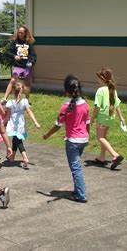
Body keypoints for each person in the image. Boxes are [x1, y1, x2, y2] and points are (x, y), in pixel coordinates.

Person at [43, 74, 90, 203]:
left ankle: (80, 195)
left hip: (73, 141)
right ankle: (78, 190)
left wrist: (47, 135)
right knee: (77, 167)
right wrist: (88, 136)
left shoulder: (65, 106)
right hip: (83, 139)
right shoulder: (85, 104)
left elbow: (57, 125)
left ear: (66, 91)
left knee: (76, 168)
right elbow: (88, 123)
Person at [91, 67, 126, 170]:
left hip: (102, 118)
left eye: (98, 78)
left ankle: (115, 155)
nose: (97, 80)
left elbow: (97, 106)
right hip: (111, 117)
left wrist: (92, 118)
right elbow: (117, 105)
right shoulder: (112, 90)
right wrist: (121, 118)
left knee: (100, 138)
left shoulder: (100, 90)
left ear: (102, 78)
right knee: (104, 137)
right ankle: (102, 158)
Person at [4, 80, 41, 169]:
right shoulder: (24, 101)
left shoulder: (10, 103)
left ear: (13, 91)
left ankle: (25, 158)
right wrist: (36, 122)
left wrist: (2, 124)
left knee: (18, 140)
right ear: (22, 90)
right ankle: (12, 156)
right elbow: (30, 112)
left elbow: (7, 116)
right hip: (20, 124)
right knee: (16, 139)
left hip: (13, 124)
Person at [2, 25, 37, 103]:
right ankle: (5, 99)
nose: (20, 34)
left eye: (21, 32)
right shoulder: (14, 42)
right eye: (19, 32)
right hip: (18, 65)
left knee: (27, 83)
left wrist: (31, 62)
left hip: (27, 66)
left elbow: (33, 55)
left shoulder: (29, 44)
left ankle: (26, 101)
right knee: (13, 80)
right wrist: (14, 56)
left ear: (25, 33)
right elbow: (7, 52)